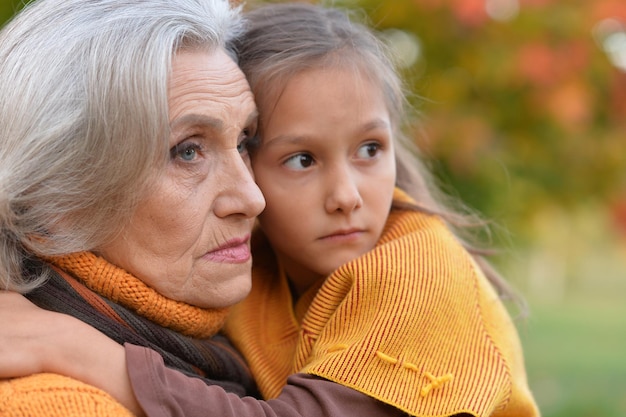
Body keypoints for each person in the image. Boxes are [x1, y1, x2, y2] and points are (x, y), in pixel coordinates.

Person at [0, 1, 540, 417]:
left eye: (242, 141)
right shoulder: (52, 393)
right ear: (56, 202)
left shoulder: (414, 274)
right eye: (187, 151)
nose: (251, 198)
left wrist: (84, 352)